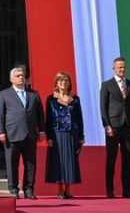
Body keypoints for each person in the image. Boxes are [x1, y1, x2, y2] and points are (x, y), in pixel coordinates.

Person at [0, 66, 45, 200]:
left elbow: (40, 114)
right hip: (12, 134)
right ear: (11, 79)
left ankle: (29, 189)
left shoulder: (34, 94)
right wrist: (0, 131)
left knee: (31, 164)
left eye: (22, 75)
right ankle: (13, 189)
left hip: (30, 134)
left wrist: (42, 130)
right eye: (18, 76)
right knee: (12, 164)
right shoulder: (4, 94)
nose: (21, 78)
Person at [99, 57, 130, 199]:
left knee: (127, 160)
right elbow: (103, 107)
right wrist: (106, 125)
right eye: (119, 67)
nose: (122, 70)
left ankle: (127, 190)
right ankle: (110, 190)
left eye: (124, 67)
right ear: (113, 69)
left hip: (128, 127)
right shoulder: (107, 85)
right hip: (113, 127)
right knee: (111, 159)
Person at [45, 71, 84, 199]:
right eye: (61, 80)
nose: (63, 82)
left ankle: (68, 189)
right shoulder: (51, 99)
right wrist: (49, 137)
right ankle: (60, 189)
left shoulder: (76, 99)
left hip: (72, 133)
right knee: (58, 161)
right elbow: (49, 119)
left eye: (66, 80)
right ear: (56, 83)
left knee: (71, 162)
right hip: (57, 134)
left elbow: (79, 118)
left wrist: (81, 137)